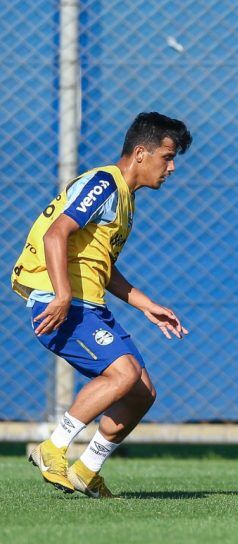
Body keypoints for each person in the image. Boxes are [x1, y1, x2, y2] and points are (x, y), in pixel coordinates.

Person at [12, 112, 192, 498]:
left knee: (142, 393)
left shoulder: (125, 200)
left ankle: (87, 469)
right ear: (140, 153)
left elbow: (101, 266)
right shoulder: (104, 184)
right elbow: (57, 234)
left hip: (86, 304)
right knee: (123, 373)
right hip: (59, 300)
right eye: (167, 156)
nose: (172, 167)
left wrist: (146, 304)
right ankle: (52, 448)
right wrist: (61, 295)